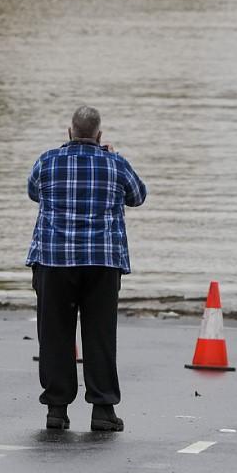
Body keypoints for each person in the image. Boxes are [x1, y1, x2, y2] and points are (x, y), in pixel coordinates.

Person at [26, 106, 147, 431]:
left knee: (54, 335)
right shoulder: (116, 164)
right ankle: (103, 410)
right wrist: (113, 157)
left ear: (70, 132)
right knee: (100, 335)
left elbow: (34, 193)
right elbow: (138, 197)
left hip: (54, 260)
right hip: (102, 262)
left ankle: (57, 409)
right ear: (99, 135)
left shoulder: (47, 161)